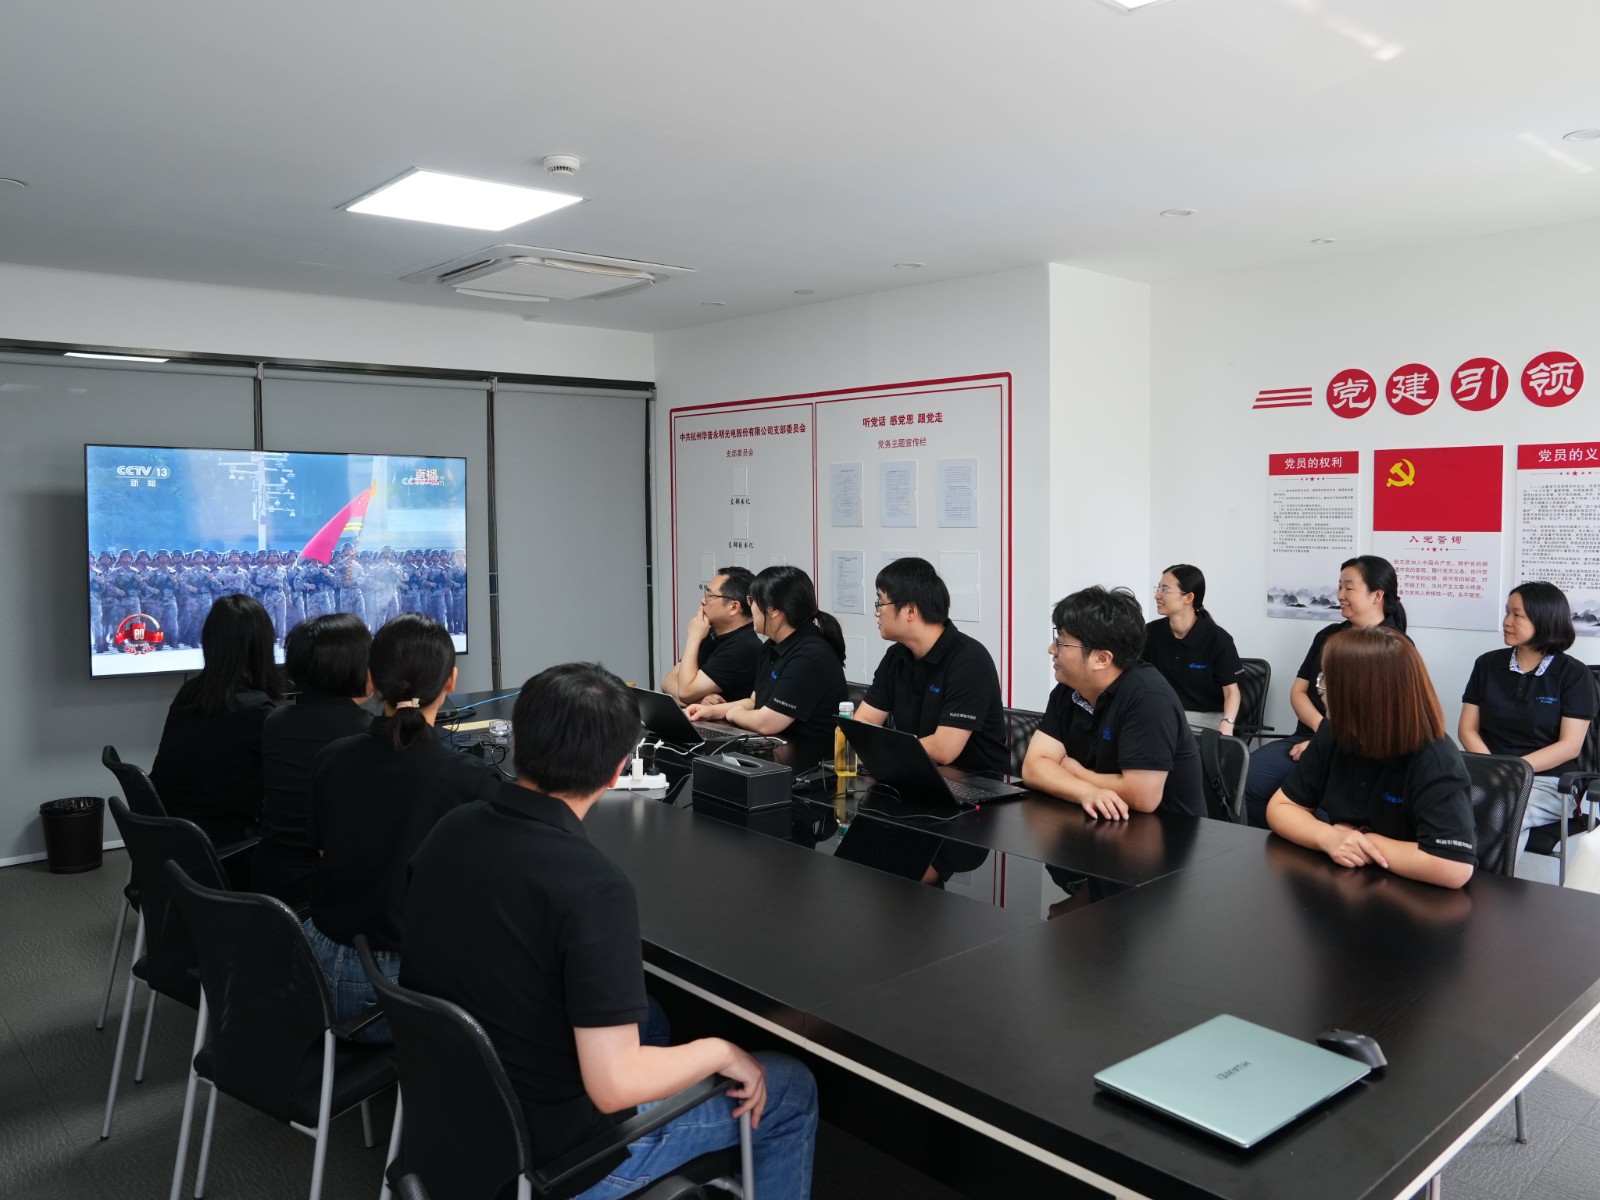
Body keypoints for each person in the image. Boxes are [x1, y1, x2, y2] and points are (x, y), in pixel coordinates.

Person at [404, 662, 818, 1200]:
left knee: (653, 1015)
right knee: (791, 1087)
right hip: (558, 1164)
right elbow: (614, 1085)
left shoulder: (450, 829)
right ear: (617, 770)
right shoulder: (593, 886)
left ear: (518, 742)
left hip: (455, 1122)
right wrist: (721, 1051)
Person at [303, 613, 499, 1038]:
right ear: (451, 681)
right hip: (398, 993)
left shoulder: (331, 758)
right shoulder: (471, 780)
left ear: (372, 679)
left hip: (310, 972)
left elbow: (324, 855)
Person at [1267, 625, 1476, 889]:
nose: (1320, 689)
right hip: (1345, 887)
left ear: (1361, 693)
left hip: (1411, 897)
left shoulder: (1435, 757)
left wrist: (1364, 840)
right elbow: (1281, 808)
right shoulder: (1334, 733)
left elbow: (1453, 867)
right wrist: (1329, 837)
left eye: (1327, 680)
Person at [1242, 555, 1407, 828]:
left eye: (1349, 587)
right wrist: (1323, 733)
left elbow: (1387, 719)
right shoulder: (1329, 635)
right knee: (1246, 779)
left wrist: (1329, 743)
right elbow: (1299, 691)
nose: (1340, 595)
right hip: (1309, 735)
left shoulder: (1395, 646)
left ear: (1377, 595)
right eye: (1339, 586)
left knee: (1326, 808)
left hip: (1361, 750)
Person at [1023, 586, 1205, 819]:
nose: (1051, 649)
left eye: (1062, 643)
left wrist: (1075, 771)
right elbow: (1034, 766)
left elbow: (1143, 796)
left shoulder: (1149, 699)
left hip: (1165, 833)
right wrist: (1086, 792)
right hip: (1095, 823)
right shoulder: (1068, 690)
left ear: (1102, 658)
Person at [1459, 582, 1597, 866]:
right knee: (1443, 802)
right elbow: (1467, 729)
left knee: (1500, 811)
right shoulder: (1487, 664)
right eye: (1507, 612)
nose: (1506, 622)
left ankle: (1483, 889)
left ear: (1544, 620)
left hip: (1548, 783)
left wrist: (1511, 771)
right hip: (1486, 774)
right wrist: (1493, 770)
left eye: (1517, 615)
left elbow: (1570, 746)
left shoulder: (1574, 675)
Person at [250, 613, 374, 907]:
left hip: (271, 880)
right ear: (355, 666)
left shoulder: (275, 720)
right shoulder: (365, 732)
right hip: (328, 889)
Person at [149, 593, 283, 845]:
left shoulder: (191, 691)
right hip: (222, 838)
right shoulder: (254, 708)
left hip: (179, 833)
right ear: (261, 644)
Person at [853, 557, 1007, 774]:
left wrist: (884, 750)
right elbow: (864, 722)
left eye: (881, 602)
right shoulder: (896, 655)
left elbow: (944, 750)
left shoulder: (970, 661)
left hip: (975, 783)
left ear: (910, 611)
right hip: (917, 773)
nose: (876, 612)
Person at [685, 565, 847, 757]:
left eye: (752, 601)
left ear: (774, 610)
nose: (750, 608)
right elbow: (755, 701)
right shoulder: (772, 645)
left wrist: (732, 713)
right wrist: (711, 712)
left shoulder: (811, 654)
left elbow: (767, 723)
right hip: (776, 749)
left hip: (809, 760)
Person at [1143, 564, 1243, 732]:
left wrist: (1227, 722)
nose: (1157, 595)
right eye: (1158, 588)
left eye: (1165, 590)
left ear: (1188, 597)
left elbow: (1231, 692)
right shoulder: (1150, 632)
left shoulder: (1218, 639)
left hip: (1205, 722)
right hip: (1162, 716)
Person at [662, 566, 760, 705]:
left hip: (726, 720)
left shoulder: (744, 646)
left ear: (733, 607)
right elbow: (668, 682)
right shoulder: (711, 633)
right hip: (700, 717)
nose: (703, 600)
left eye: (710, 596)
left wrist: (693, 638)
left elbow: (685, 692)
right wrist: (698, 701)